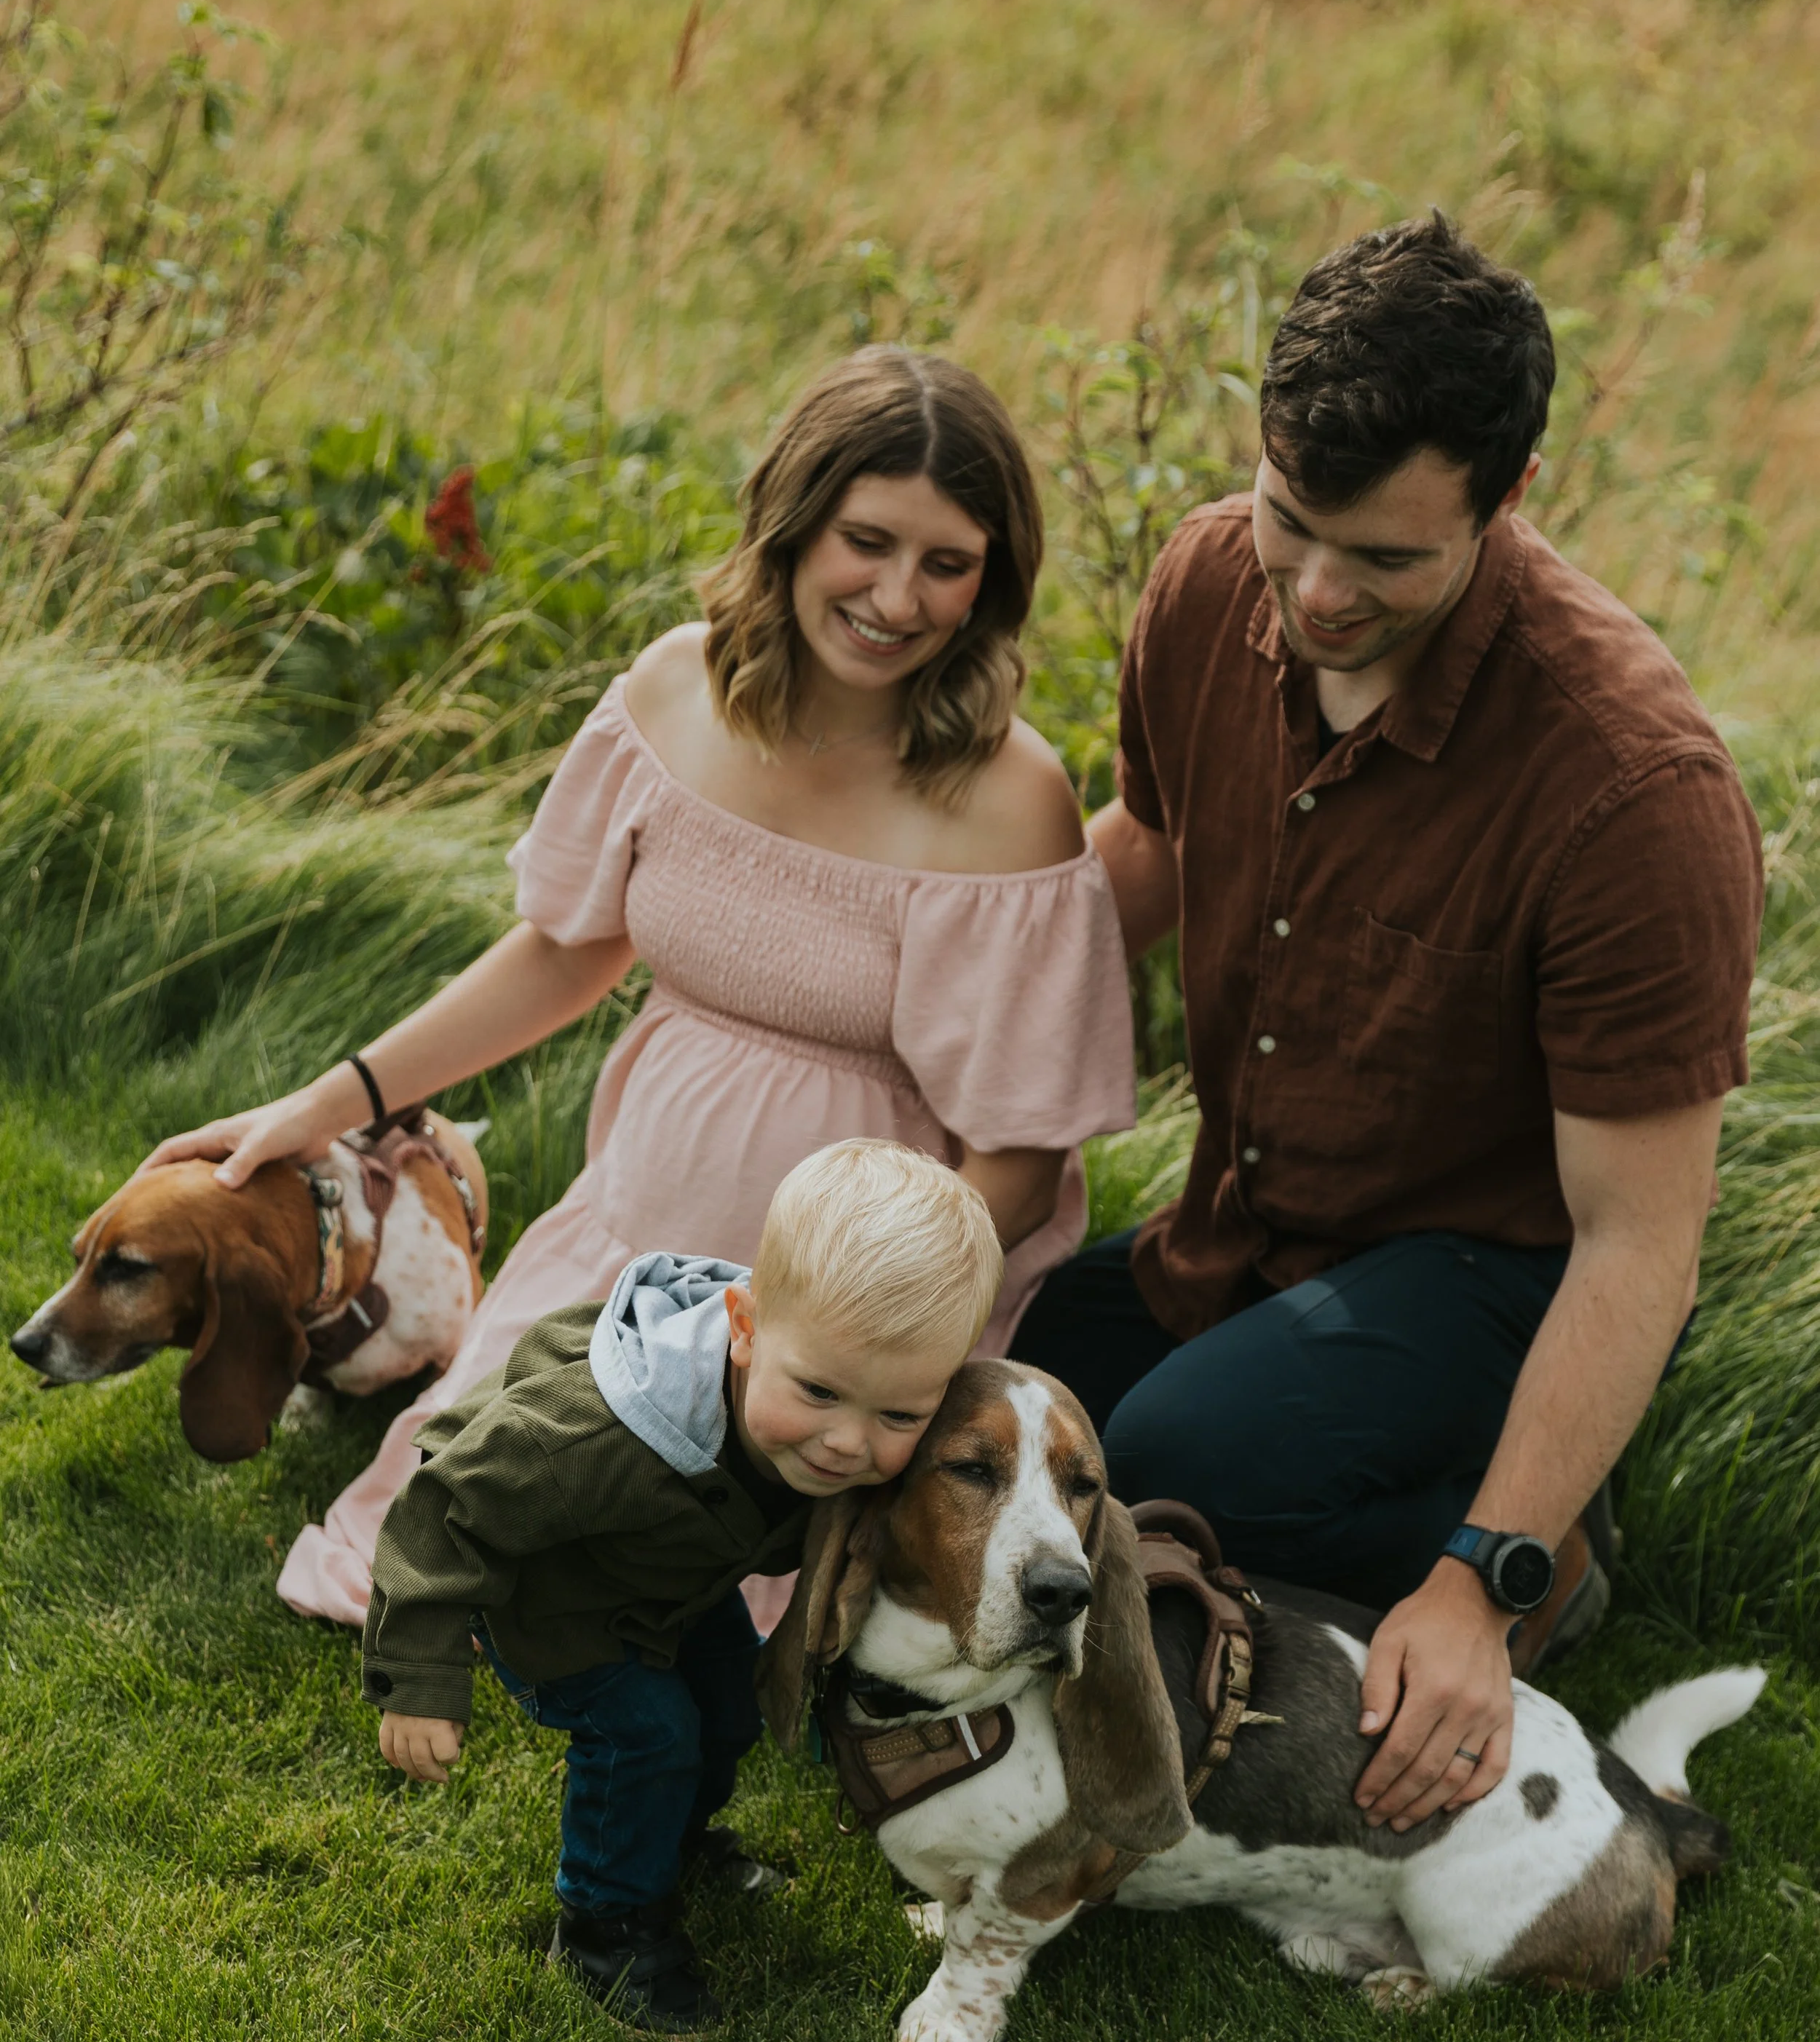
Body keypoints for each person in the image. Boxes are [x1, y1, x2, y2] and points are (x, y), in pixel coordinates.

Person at [141, 347, 1134, 1630]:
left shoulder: (1012, 798)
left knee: (700, 1602)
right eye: (866, 542)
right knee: (456, 1524)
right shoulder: (678, 691)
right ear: (791, 524)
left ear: (991, 581)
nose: (898, 598)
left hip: (855, 1311)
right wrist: (329, 1105)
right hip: (632, 1233)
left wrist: (854, 1322)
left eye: (948, 565)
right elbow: (565, 952)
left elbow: (1022, 1155)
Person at [1016, 212, 1762, 1840]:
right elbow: (1138, 854)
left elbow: (1638, 1245)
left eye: (1385, 559)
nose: (1315, 591)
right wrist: (919, 1049)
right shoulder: (1211, 575)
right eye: (1293, 523)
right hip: (1243, 1232)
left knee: (1162, 1458)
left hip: (1487, 1275)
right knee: (976, 1391)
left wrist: (1474, 1591)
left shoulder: (1634, 792)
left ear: (1507, 505)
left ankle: (1537, 1544)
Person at [368, 1141, 1004, 2033]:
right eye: (818, 1392)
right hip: (557, 1602)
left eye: (898, 1414)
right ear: (743, 1326)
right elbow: (443, 1507)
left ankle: (669, 1844)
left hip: (673, 1589)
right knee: (647, 1737)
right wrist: (419, 1680)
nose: (846, 1444)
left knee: (728, 1710)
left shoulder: (835, 1404)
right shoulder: (592, 1436)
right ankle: (606, 1925)